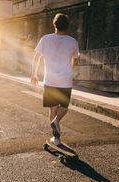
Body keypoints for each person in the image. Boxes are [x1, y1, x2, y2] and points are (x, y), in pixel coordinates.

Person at [31, 13, 80, 145]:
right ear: (67, 26)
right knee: (64, 106)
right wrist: (73, 74)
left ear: (54, 24)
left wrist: (34, 74)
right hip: (65, 80)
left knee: (52, 108)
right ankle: (57, 121)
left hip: (50, 80)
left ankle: (56, 138)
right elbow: (75, 60)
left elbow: (36, 57)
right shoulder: (73, 41)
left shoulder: (45, 39)